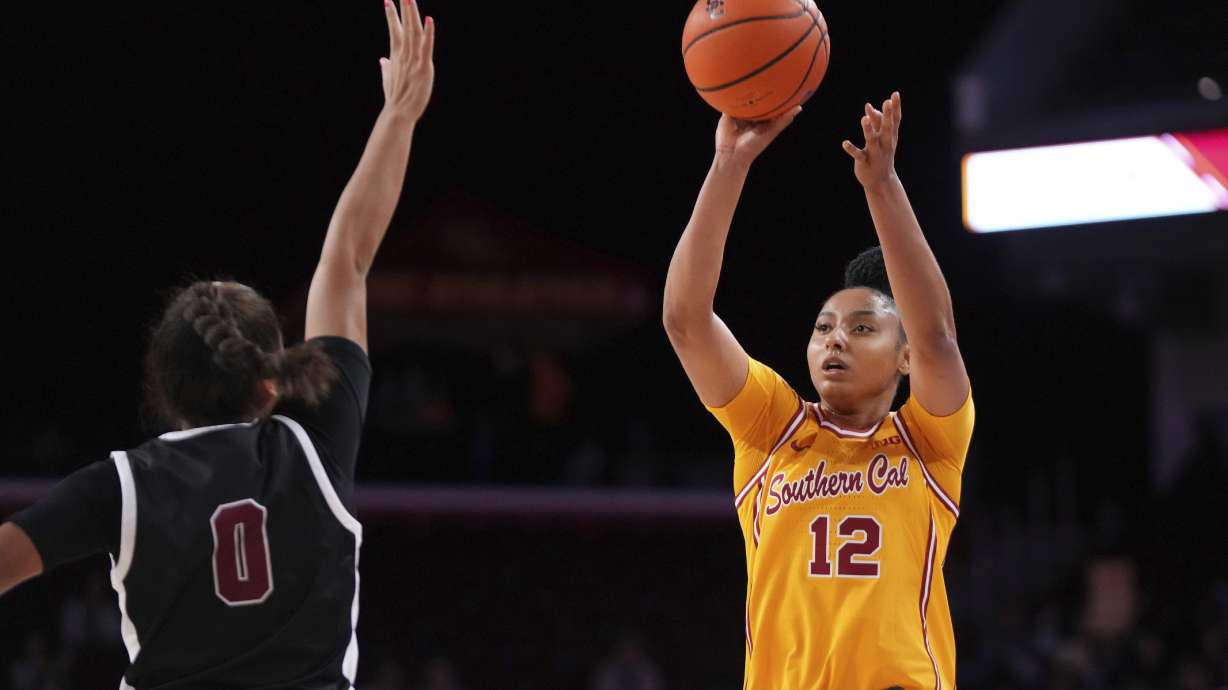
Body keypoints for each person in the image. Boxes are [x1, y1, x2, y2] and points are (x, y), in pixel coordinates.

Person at [0, 2, 434, 687]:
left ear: (165, 388)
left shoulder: (123, 486)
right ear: (270, 385)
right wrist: (398, 116)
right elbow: (346, 259)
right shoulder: (315, 447)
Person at [663, 93, 973, 689]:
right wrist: (728, 163)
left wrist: (882, 185)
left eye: (862, 328)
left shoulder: (929, 443)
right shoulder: (772, 428)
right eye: (824, 327)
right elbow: (685, 320)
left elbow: (936, 336)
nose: (835, 340)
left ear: (903, 357)